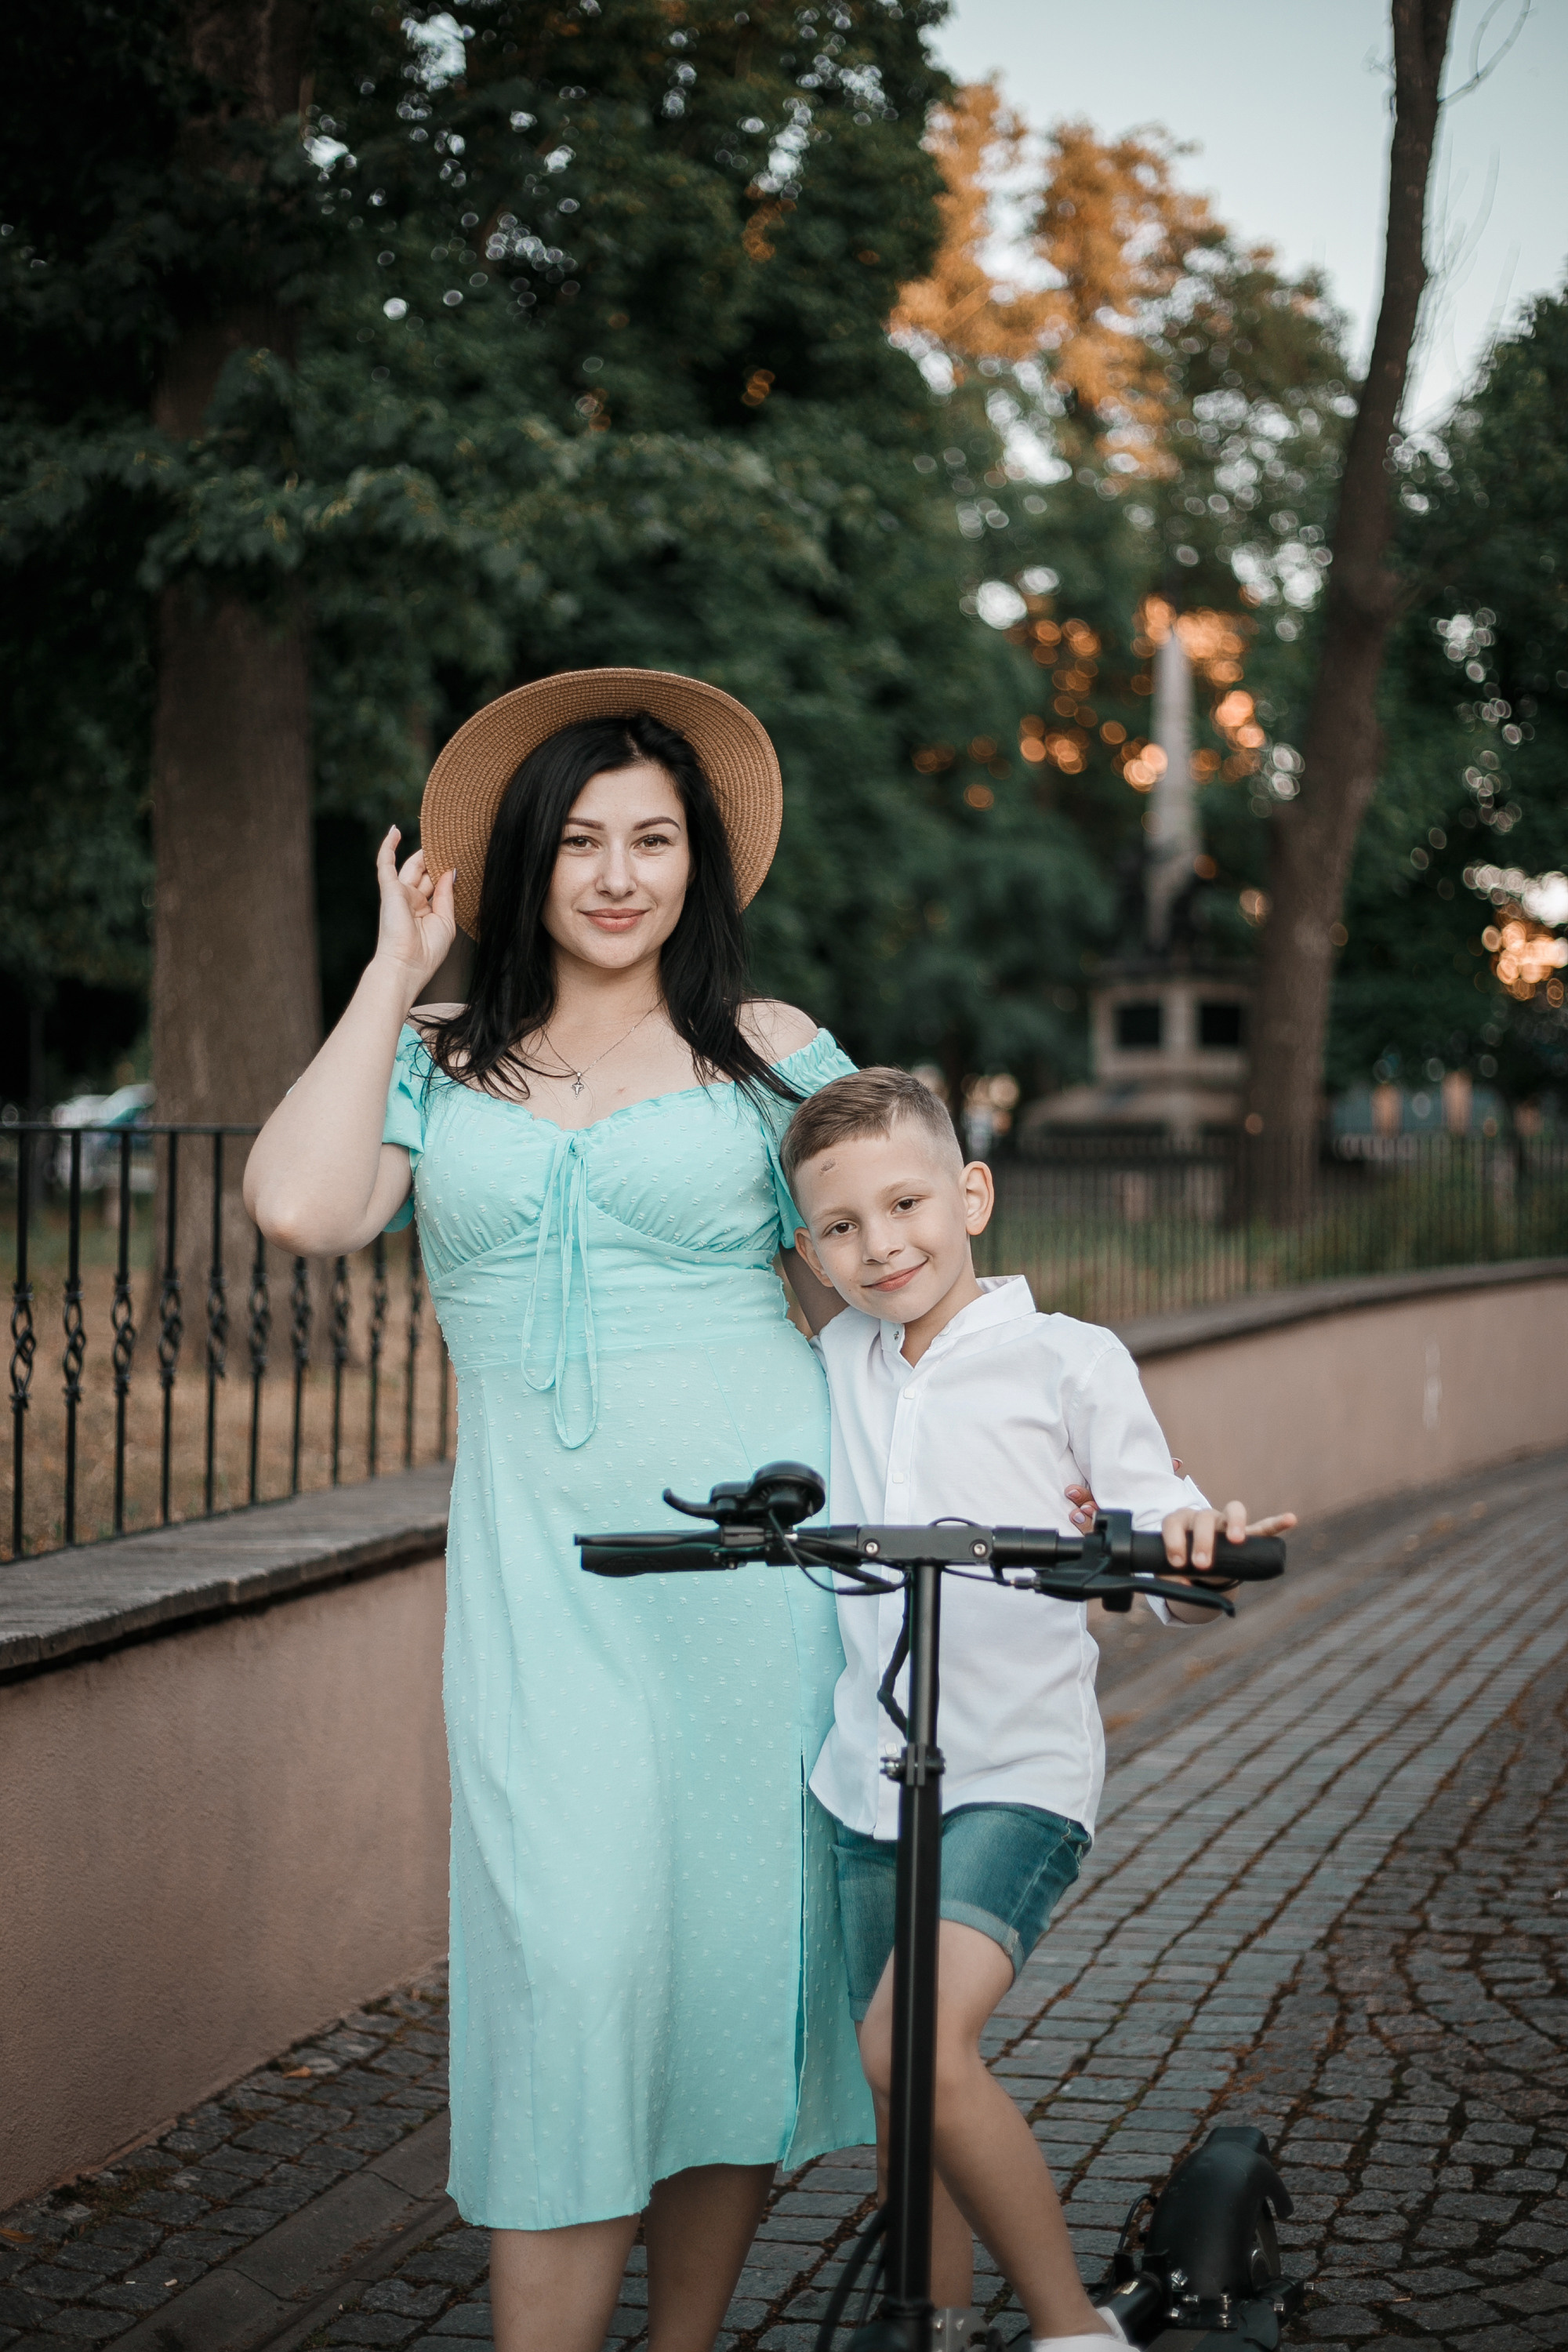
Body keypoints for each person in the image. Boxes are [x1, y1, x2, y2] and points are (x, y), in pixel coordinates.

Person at [243, 670, 873, 2352]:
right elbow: (302, 1206)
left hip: (755, 1580)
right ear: (524, 862)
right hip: (542, 1585)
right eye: (582, 839)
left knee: (732, 1968)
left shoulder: (772, 1054)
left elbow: (900, 1280)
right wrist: (393, 970)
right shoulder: (440, 1060)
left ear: (700, 864)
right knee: (575, 1966)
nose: (618, 874)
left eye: (655, 839)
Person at [779, 1065, 1296, 2352]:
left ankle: (1074, 2333)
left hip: (1013, 1775)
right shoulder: (834, 1356)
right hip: (865, 1776)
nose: (880, 1244)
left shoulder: (1068, 1359)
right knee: (908, 2106)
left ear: (974, 1195)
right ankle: (936, 2329)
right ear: (810, 1248)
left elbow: (1152, 1524)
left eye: (907, 1204)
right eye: (841, 1226)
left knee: (913, 2049)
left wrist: (1187, 1543)